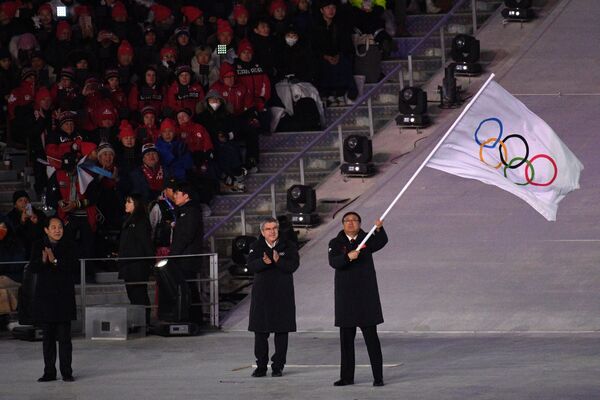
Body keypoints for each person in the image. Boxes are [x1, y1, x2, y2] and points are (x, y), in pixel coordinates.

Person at [328, 211, 387, 387]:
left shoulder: (367, 239)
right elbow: (334, 262)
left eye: (354, 220)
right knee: (346, 340)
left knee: (371, 339)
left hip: (366, 297)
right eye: (347, 220)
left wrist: (379, 229)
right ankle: (346, 377)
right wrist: (348, 256)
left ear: (360, 224)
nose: (351, 223)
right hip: (345, 298)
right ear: (342, 224)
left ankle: (378, 377)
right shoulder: (335, 242)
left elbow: (381, 242)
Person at [247, 217, 299, 378]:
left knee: (282, 331)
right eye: (268, 229)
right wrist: (264, 262)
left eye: (274, 228)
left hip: (282, 294)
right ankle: (261, 366)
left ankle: (278, 366)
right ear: (262, 232)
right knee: (260, 332)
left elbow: (293, 266)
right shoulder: (256, 246)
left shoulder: (289, 245)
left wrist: (278, 260)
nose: (272, 231)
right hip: (262, 295)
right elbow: (251, 266)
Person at [30, 217, 77, 382]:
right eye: (54, 227)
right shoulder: (39, 245)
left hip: (64, 298)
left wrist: (55, 260)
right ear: (46, 230)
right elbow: (33, 267)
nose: (58, 230)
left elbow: (74, 267)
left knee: (65, 339)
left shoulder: (69, 245)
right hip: (46, 299)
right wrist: (44, 261)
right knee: (48, 339)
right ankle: (49, 372)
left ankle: (67, 372)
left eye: (60, 227)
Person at [170, 182, 204, 324]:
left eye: (177, 194)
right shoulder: (185, 211)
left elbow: (187, 235)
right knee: (186, 287)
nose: (175, 197)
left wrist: (174, 254)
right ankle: (189, 316)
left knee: (189, 287)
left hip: (187, 257)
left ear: (186, 196)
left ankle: (194, 318)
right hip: (183, 256)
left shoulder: (191, 211)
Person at [118, 193, 154, 324]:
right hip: (128, 264)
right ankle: (139, 321)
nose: (126, 204)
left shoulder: (141, 221)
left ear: (136, 204)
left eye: (129, 202)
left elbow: (146, 243)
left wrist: (151, 262)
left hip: (137, 265)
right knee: (133, 295)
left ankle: (144, 322)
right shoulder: (128, 220)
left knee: (139, 295)